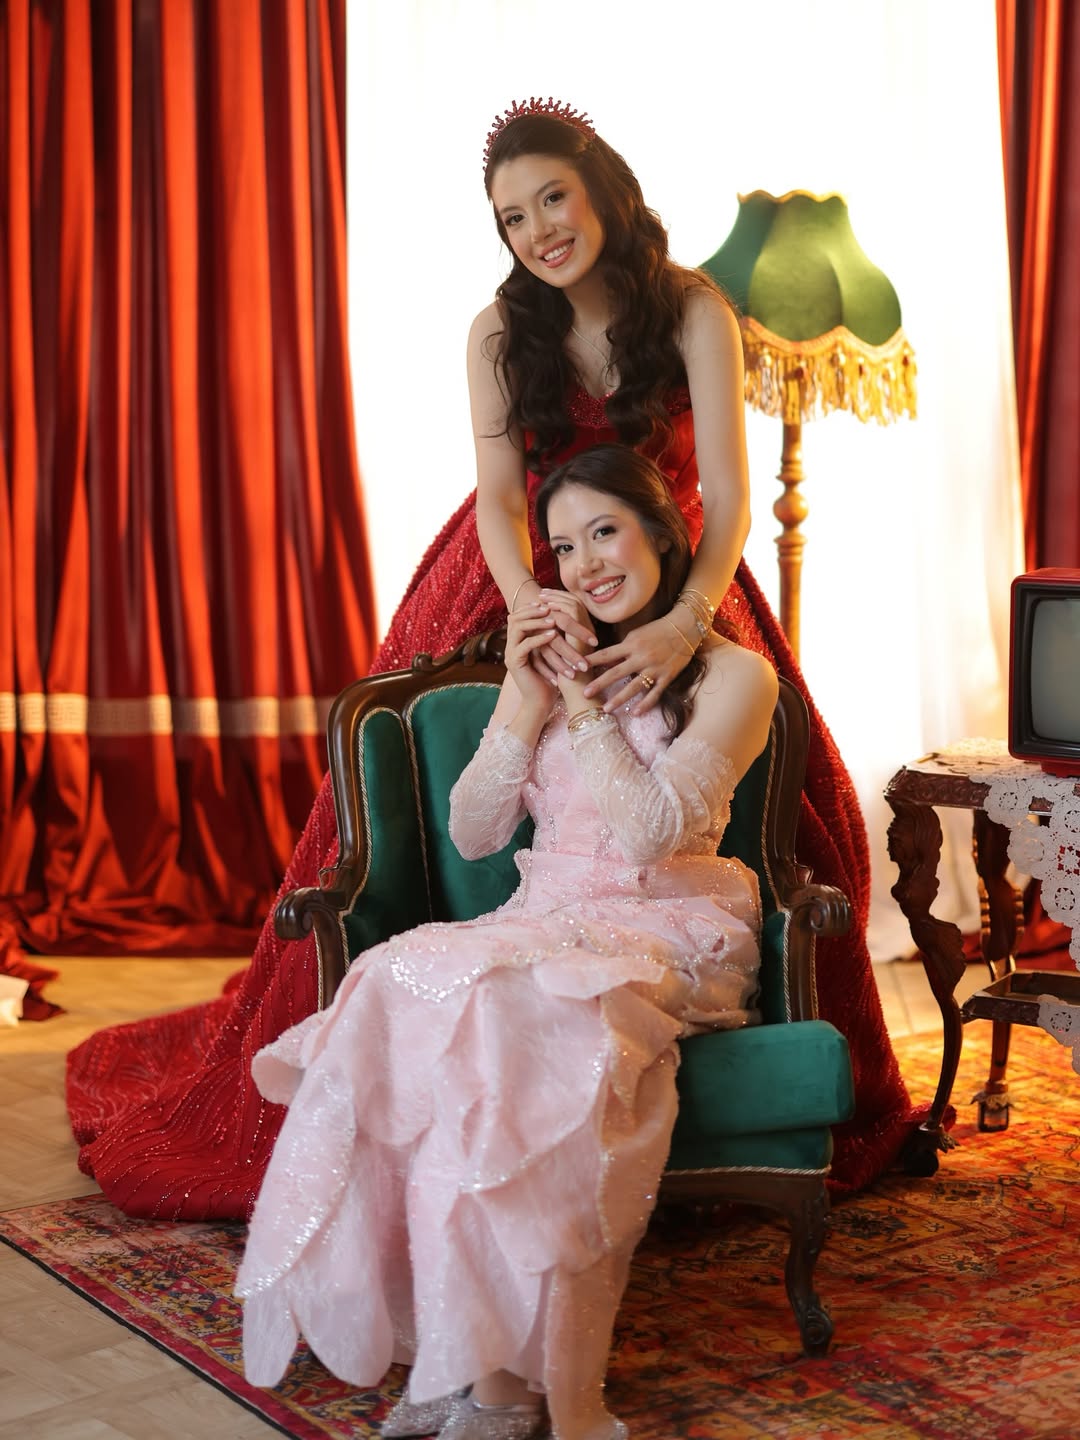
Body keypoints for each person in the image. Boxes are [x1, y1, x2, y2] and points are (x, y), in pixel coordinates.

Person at [65, 98, 915, 1223]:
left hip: (673, 572)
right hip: (522, 570)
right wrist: (532, 612)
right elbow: (503, 501)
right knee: (428, 793)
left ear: (603, 190)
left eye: (553, 198)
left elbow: (730, 498)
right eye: (514, 217)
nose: (539, 230)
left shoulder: (696, 309)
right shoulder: (496, 331)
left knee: (791, 815)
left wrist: (682, 622)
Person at [236, 445, 779, 1440]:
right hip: (542, 919)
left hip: (667, 923)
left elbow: (652, 834)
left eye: (605, 531)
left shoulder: (734, 675)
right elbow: (475, 833)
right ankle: (471, 1360)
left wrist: (581, 705)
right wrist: (525, 702)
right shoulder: (543, 674)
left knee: (508, 1013)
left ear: (663, 534)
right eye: (563, 547)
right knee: (397, 981)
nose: (585, 564)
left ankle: (511, 1389)